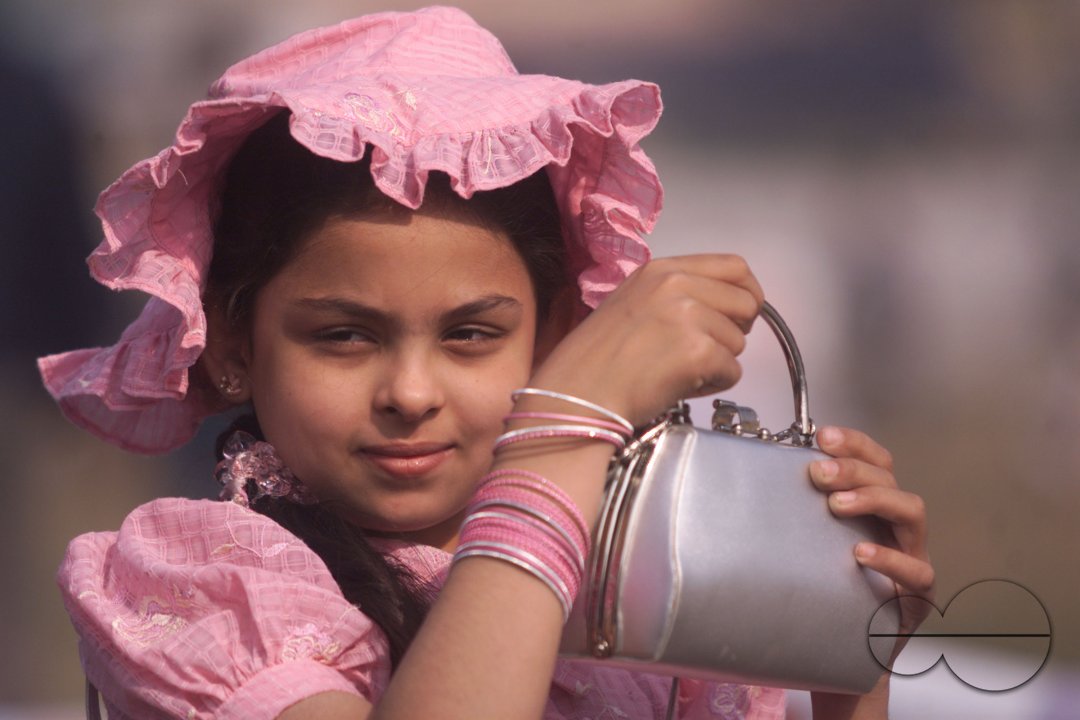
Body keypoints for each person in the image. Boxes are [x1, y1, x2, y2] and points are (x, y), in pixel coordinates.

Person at [39, 7, 933, 719]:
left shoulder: (647, 583)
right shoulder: (198, 581)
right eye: (343, 336)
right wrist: (564, 430)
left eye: (471, 336)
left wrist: (842, 653)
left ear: (549, 334)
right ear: (233, 344)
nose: (412, 394)